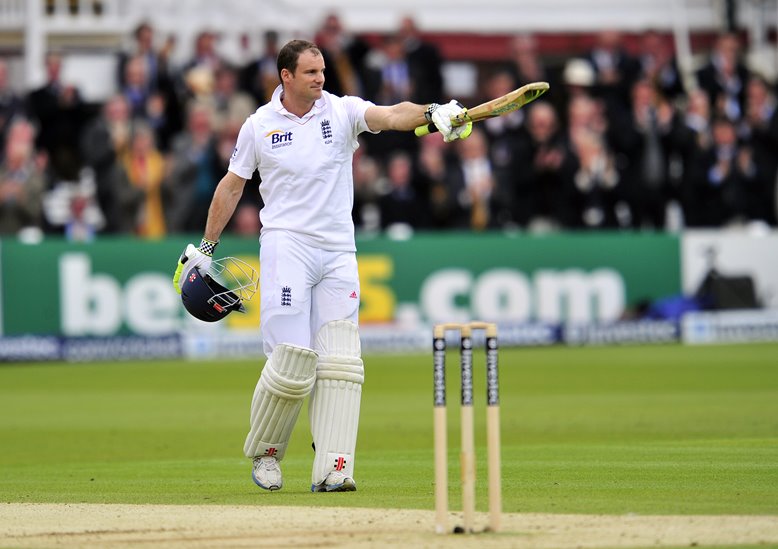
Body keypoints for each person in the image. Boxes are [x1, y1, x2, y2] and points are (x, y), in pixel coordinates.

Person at [172, 39, 471, 492]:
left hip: (337, 251)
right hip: (285, 246)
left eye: (323, 70)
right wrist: (207, 248)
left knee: (340, 362)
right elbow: (232, 187)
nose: (320, 78)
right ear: (286, 76)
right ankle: (267, 455)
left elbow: (390, 116)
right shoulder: (258, 126)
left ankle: (334, 466)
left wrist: (432, 113)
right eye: (310, 72)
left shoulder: (342, 110)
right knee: (291, 361)